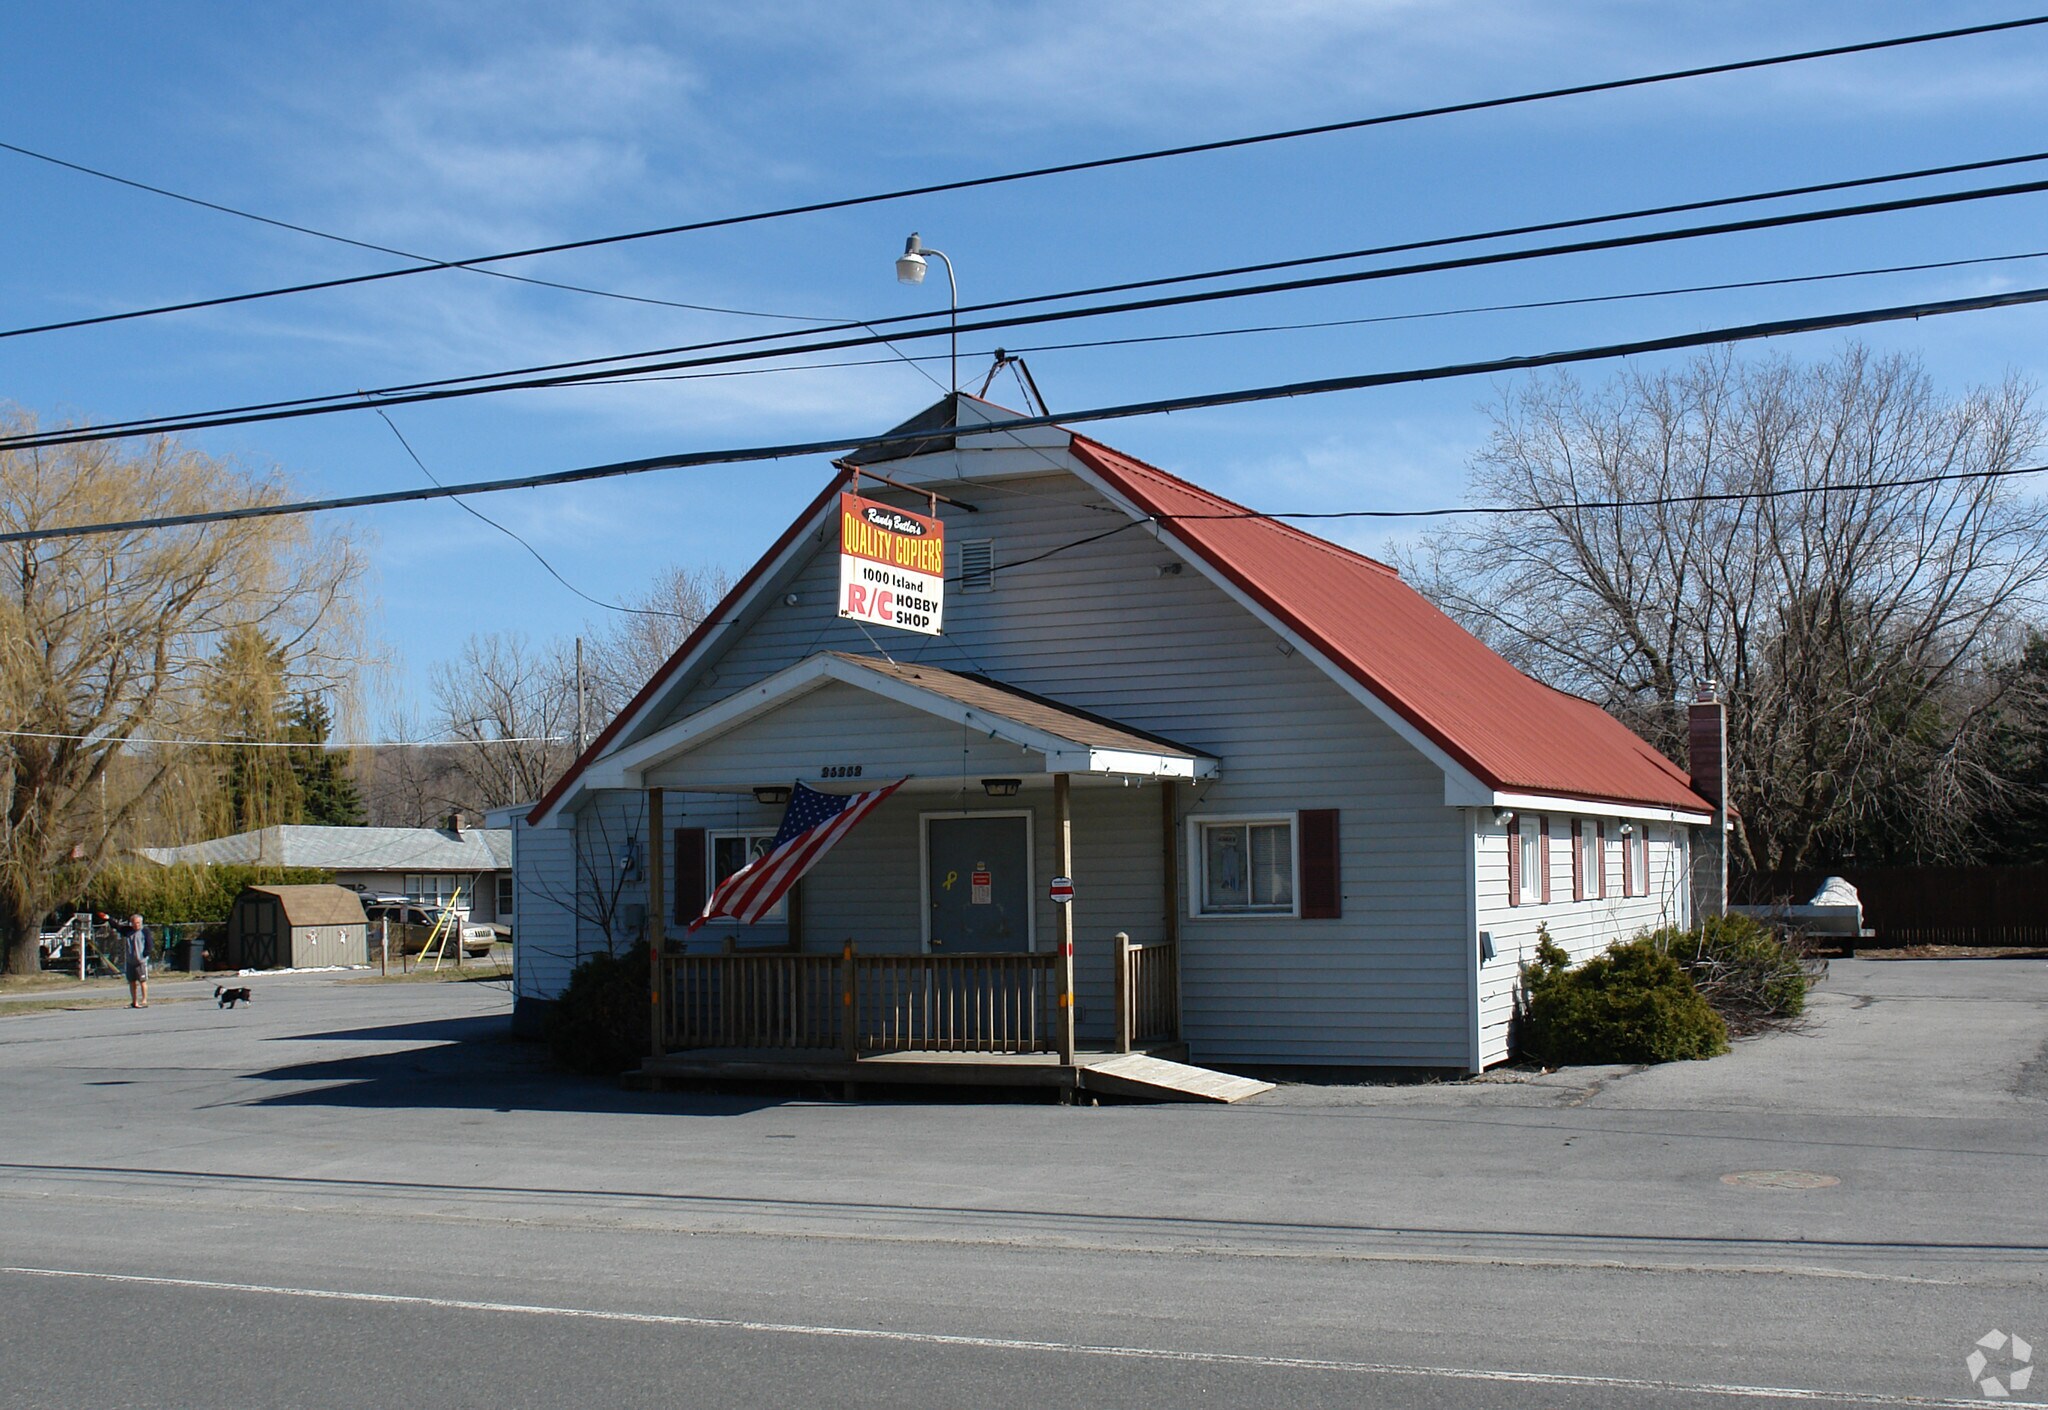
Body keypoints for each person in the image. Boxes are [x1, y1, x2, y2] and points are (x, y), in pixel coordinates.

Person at [121, 913, 150, 1008]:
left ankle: (144, 1000)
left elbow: (149, 944)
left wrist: (144, 955)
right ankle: (134, 1002)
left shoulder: (144, 931)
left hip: (140, 962)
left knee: (142, 981)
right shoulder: (128, 931)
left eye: (138, 923)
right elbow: (117, 927)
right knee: (132, 982)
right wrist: (108, 919)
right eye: (134, 923)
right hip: (130, 961)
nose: (136, 925)